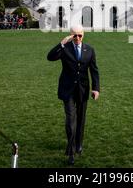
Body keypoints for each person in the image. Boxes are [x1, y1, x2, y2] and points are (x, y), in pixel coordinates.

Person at [47, 24, 100, 165]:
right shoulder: (65, 48)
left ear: (83, 35)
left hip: (82, 90)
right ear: (70, 35)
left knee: (81, 119)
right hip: (67, 90)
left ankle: (78, 144)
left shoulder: (89, 50)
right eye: (74, 35)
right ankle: (70, 151)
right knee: (71, 120)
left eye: (79, 35)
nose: (77, 38)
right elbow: (50, 57)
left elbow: (94, 70)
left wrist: (96, 88)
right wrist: (62, 43)